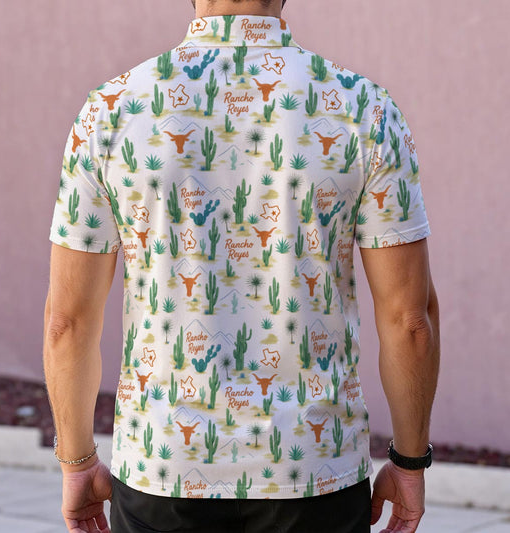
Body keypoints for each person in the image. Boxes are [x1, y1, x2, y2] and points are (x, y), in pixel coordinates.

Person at [43, 0, 440, 531]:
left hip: (163, 471)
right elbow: (410, 320)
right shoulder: (364, 109)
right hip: (315, 472)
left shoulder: (111, 110)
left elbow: (67, 322)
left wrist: (76, 461)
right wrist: (410, 462)